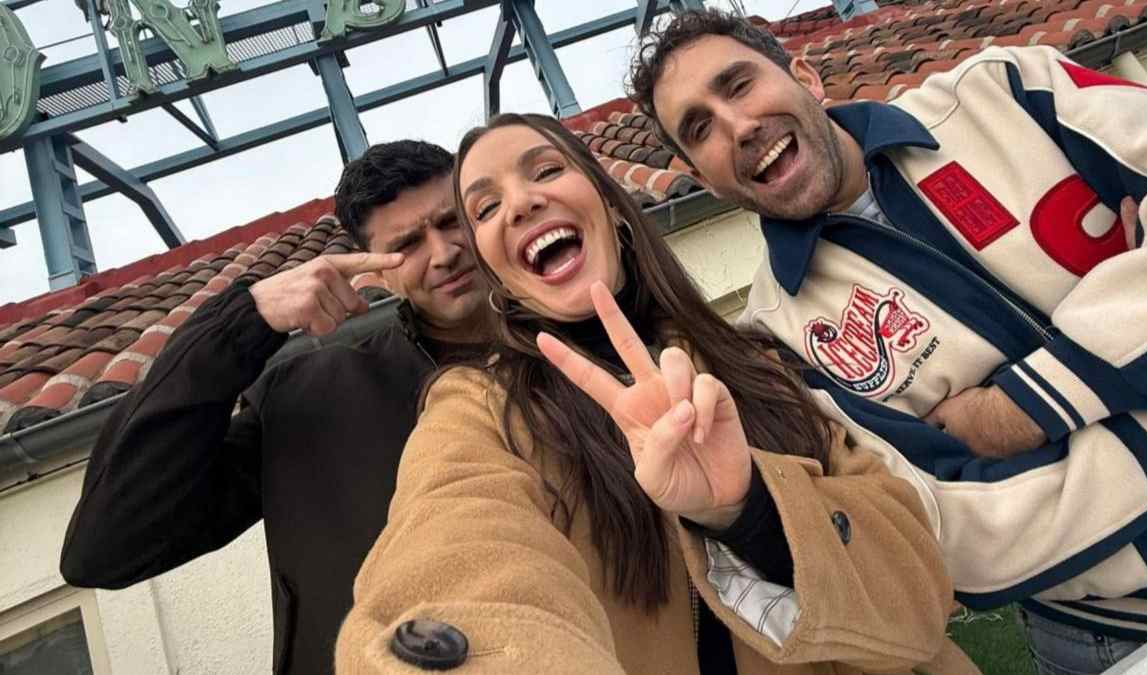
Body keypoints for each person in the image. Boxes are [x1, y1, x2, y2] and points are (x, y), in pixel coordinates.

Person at [628, 9, 1147, 674]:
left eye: (738, 85)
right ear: (703, 179)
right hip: (1114, 633)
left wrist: (1020, 408)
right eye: (699, 128)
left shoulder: (1003, 88)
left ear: (805, 76)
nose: (737, 127)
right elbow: (951, 530)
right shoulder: (775, 337)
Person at [336, 113, 978, 675]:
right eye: (485, 207)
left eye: (546, 170)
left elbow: (921, 596)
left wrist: (750, 510)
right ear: (498, 275)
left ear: (613, 209)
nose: (522, 204)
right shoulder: (478, 411)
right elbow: (454, 556)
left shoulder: (756, 361)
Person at [60, 140, 492, 675]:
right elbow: (106, 546)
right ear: (378, 273)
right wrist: (244, 321)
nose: (444, 251)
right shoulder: (308, 399)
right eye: (408, 244)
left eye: (451, 222)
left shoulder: (594, 334)